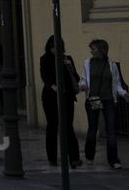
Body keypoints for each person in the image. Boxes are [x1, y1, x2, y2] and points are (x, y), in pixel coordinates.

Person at [79, 38, 129, 170]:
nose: (91, 51)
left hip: (108, 99)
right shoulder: (87, 63)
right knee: (93, 128)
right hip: (94, 99)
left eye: (94, 49)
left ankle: (113, 160)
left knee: (111, 130)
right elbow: (83, 79)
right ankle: (89, 155)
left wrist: (124, 94)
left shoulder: (112, 65)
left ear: (102, 50)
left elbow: (117, 83)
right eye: (91, 49)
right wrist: (83, 86)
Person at [40, 36, 82, 168]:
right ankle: (52, 158)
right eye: (52, 46)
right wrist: (53, 86)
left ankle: (74, 158)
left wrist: (71, 68)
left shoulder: (67, 58)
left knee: (68, 127)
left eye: (57, 46)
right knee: (52, 126)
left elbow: (76, 77)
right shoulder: (45, 59)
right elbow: (44, 76)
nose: (55, 49)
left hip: (67, 96)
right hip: (50, 97)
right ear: (49, 47)